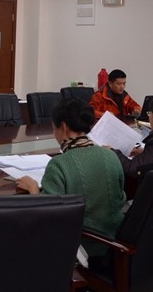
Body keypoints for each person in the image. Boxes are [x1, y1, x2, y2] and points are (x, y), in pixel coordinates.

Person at [16, 98, 125, 263]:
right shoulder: (110, 156)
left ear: (64, 127)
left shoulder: (59, 164)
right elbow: (120, 198)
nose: (54, 134)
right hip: (116, 244)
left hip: (83, 249)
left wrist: (34, 190)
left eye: (54, 128)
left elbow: (47, 215)